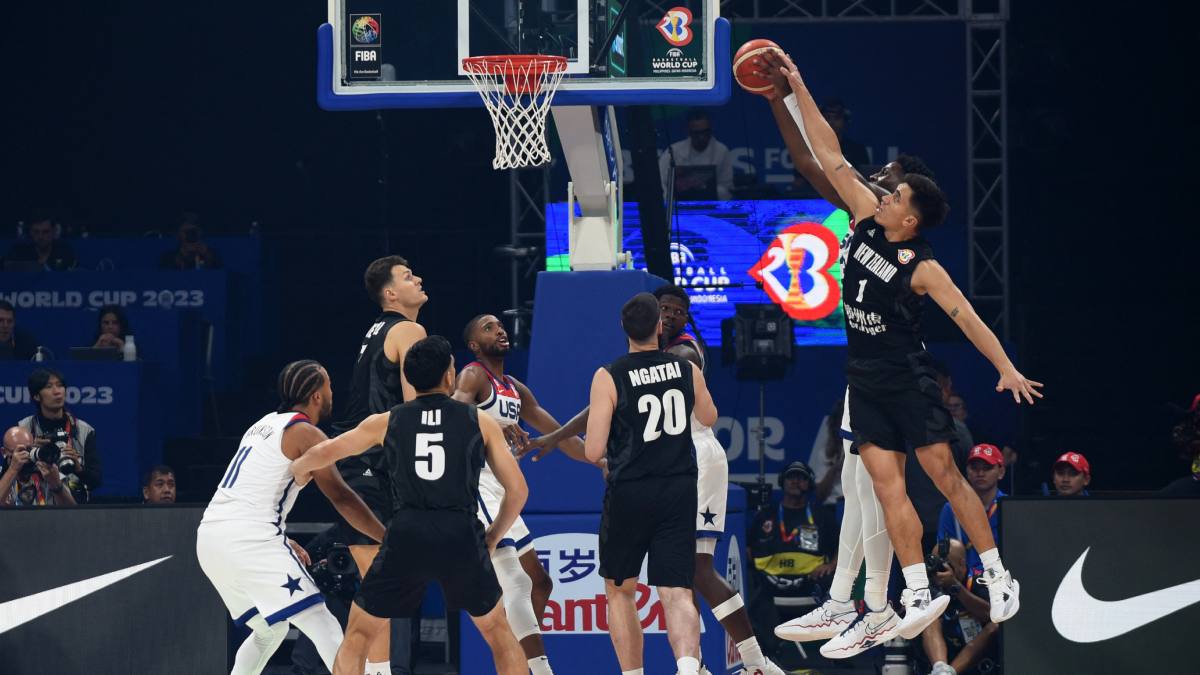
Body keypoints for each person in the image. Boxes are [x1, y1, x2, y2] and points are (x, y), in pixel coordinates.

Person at [772, 51, 1038, 657]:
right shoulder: (865, 216)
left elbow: (967, 317)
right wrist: (797, 85)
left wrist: (1005, 367)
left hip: (906, 377)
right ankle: (915, 590)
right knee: (885, 488)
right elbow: (827, 151)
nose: (884, 193)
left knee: (944, 475)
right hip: (863, 377)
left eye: (895, 194)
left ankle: (998, 574)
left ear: (911, 218)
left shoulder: (923, 267)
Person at [758, 52, 947, 653]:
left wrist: (791, 95)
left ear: (904, 197)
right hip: (865, 367)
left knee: (874, 491)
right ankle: (861, 604)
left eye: (890, 174)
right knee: (856, 486)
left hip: (892, 368)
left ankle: (870, 604)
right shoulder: (864, 212)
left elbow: (824, 156)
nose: (880, 175)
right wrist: (778, 102)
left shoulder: (886, 223)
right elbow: (807, 160)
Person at [527, 285, 785, 673]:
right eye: (664, 309)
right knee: (681, 582)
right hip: (676, 477)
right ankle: (697, 666)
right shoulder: (673, 368)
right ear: (656, 322)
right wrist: (559, 434)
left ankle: (754, 661)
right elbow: (620, 401)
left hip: (681, 460)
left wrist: (590, 447)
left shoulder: (680, 354)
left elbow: (604, 422)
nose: (670, 315)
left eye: (677, 310)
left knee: (678, 575)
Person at [290, 336, 529, 675]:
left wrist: (296, 471)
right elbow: (518, 491)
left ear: (411, 378)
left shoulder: (386, 420)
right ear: (449, 375)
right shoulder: (479, 420)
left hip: (407, 534)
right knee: (499, 632)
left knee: (358, 634)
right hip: (460, 532)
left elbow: (323, 453)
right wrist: (492, 536)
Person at [195, 360, 388, 675]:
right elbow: (342, 498)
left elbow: (250, 494)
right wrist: (387, 537)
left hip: (211, 539)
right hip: (250, 541)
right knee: (321, 621)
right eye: (328, 386)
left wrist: (281, 539)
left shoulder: (262, 424)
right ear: (316, 395)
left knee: (269, 630)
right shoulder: (306, 434)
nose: (332, 392)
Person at [582, 292, 718, 675]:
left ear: (623, 328)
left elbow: (593, 451)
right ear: (659, 326)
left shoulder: (609, 375)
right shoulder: (685, 368)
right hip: (678, 489)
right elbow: (709, 417)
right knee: (676, 590)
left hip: (630, 491)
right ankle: (688, 668)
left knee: (620, 590)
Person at [452, 313, 591, 675]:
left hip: (503, 490)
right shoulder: (473, 376)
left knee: (540, 583)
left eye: (499, 325)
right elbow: (451, 421)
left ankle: (515, 663)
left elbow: (561, 436)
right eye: (488, 328)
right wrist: (491, 427)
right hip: (478, 486)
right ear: (473, 345)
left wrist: (600, 460)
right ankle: (539, 670)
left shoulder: (513, 387)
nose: (499, 330)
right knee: (516, 580)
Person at [331, 255, 428, 675]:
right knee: (379, 585)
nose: (418, 279)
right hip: (371, 466)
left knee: (376, 586)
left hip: (357, 465)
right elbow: (416, 406)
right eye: (408, 276)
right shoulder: (409, 330)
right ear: (390, 293)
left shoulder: (376, 331)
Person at [748, 462, 838, 663]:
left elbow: (844, 546)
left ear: (810, 483)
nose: (796, 481)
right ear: (782, 481)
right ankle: (768, 655)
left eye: (802, 477)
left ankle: (832, 654)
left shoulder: (822, 515)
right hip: (770, 586)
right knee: (752, 587)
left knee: (837, 583)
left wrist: (831, 565)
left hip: (811, 584)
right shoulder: (766, 515)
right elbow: (748, 549)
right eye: (791, 477)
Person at [18, 368, 100, 502]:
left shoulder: (84, 430)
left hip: (73, 508)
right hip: (33, 508)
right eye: (49, 386)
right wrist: (32, 453)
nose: (57, 391)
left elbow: (96, 481)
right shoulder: (23, 430)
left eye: (60, 385)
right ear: (36, 396)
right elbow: (10, 474)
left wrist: (78, 468)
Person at [918, 539, 998, 675]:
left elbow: (991, 615)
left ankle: (949, 673)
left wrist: (955, 586)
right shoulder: (931, 582)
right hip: (945, 648)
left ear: (962, 564)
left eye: (946, 564)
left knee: (994, 626)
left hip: (976, 652)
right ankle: (940, 669)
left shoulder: (979, 579)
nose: (940, 571)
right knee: (928, 618)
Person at [938, 445, 1006, 579]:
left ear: (1001, 472)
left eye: (987, 468)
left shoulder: (1009, 508)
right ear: (967, 472)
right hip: (961, 580)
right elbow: (943, 554)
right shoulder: (951, 508)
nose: (980, 473)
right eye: (974, 468)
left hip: (1001, 578)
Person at [659, 109, 735, 200]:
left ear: (711, 130)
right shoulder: (673, 151)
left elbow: (727, 188)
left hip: (712, 204)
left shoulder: (722, 151)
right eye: (697, 133)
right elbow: (659, 181)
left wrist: (704, 189)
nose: (701, 137)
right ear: (689, 132)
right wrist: (671, 201)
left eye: (705, 132)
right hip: (678, 205)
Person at [1, 426, 75, 506]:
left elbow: (71, 512)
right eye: (19, 451)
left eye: (29, 449)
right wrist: (13, 470)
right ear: (4, 452)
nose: (25, 454)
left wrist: (56, 485)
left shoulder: (47, 471)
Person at [5, 213, 77, 271]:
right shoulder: (19, 252)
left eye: (45, 232)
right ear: (30, 232)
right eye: (36, 232)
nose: (40, 236)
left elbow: (76, 276)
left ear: (53, 232)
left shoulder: (65, 252)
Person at [819, 98, 870, 171]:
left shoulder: (857, 150)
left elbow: (865, 175)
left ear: (845, 121)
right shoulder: (812, 148)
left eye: (837, 118)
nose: (831, 122)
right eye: (827, 118)